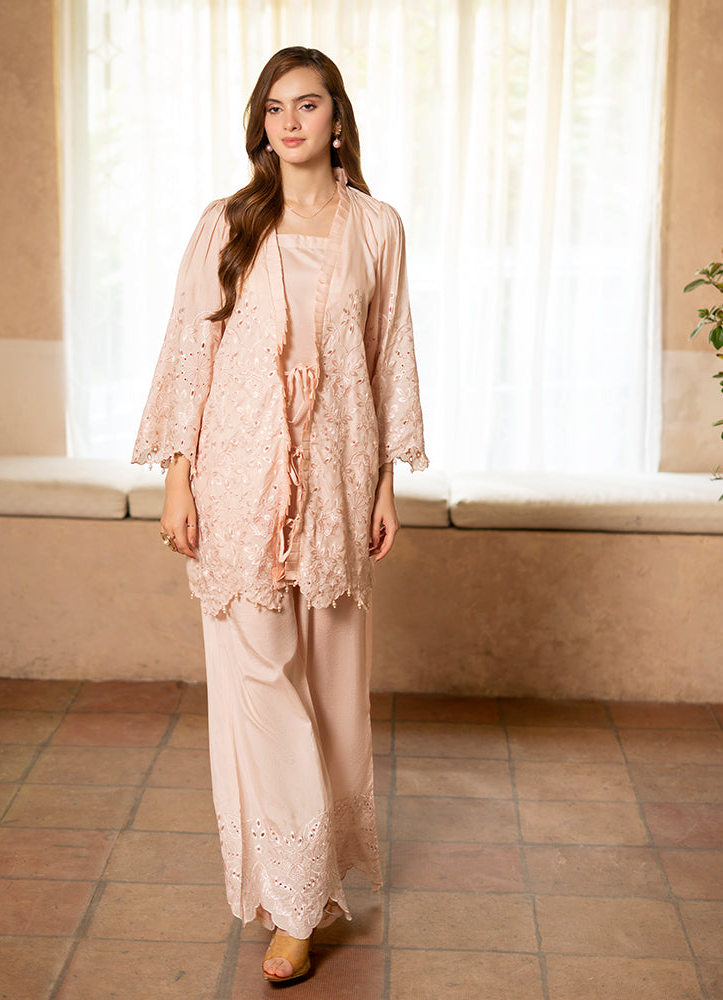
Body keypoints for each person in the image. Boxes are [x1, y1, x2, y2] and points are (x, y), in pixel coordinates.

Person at [132, 45, 427, 983]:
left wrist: (385, 484)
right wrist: (178, 478)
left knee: (329, 683)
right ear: (260, 124)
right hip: (236, 478)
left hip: (336, 479)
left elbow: (389, 356)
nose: (290, 122)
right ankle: (297, 907)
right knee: (262, 680)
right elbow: (190, 353)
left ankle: (307, 877)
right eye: (274, 107)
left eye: (308, 105)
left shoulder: (376, 227)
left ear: (337, 119)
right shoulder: (227, 223)